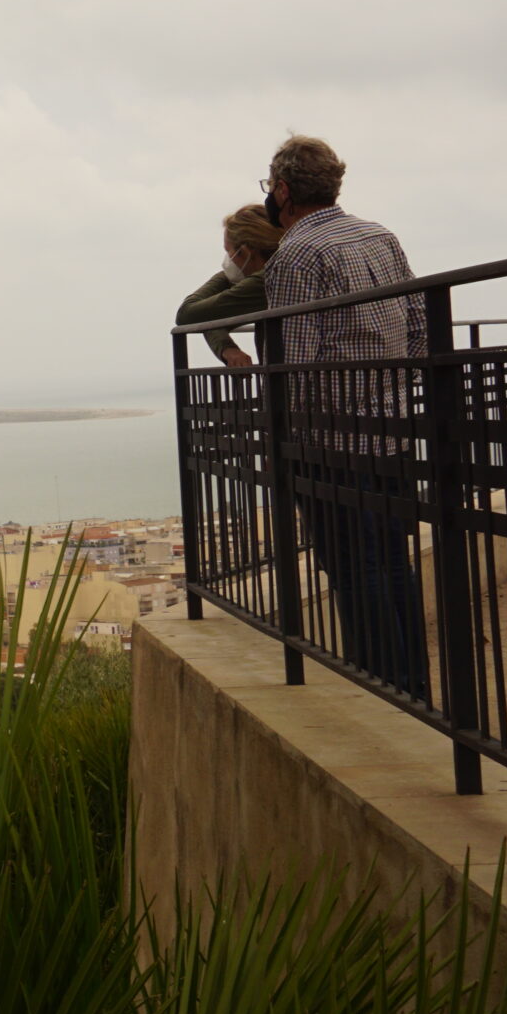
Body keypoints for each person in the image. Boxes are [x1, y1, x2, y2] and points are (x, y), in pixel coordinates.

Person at [261, 134, 429, 696]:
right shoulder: (381, 237)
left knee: (356, 569)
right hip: (396, 433)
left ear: (283, 190)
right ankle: (414, 683)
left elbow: (294, 364)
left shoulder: (296, 255)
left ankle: (384, 685)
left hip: (335, 442)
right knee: (392, 559)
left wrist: (287, 434)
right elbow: (421, 328)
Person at [176, 205, 284, 367]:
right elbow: (212, 314)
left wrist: (226, 277)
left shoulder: (265, 281)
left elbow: (188, 313)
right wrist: (227, 348)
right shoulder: (280, 269)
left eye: (229, 252)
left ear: (246, 252)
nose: (228, 260)